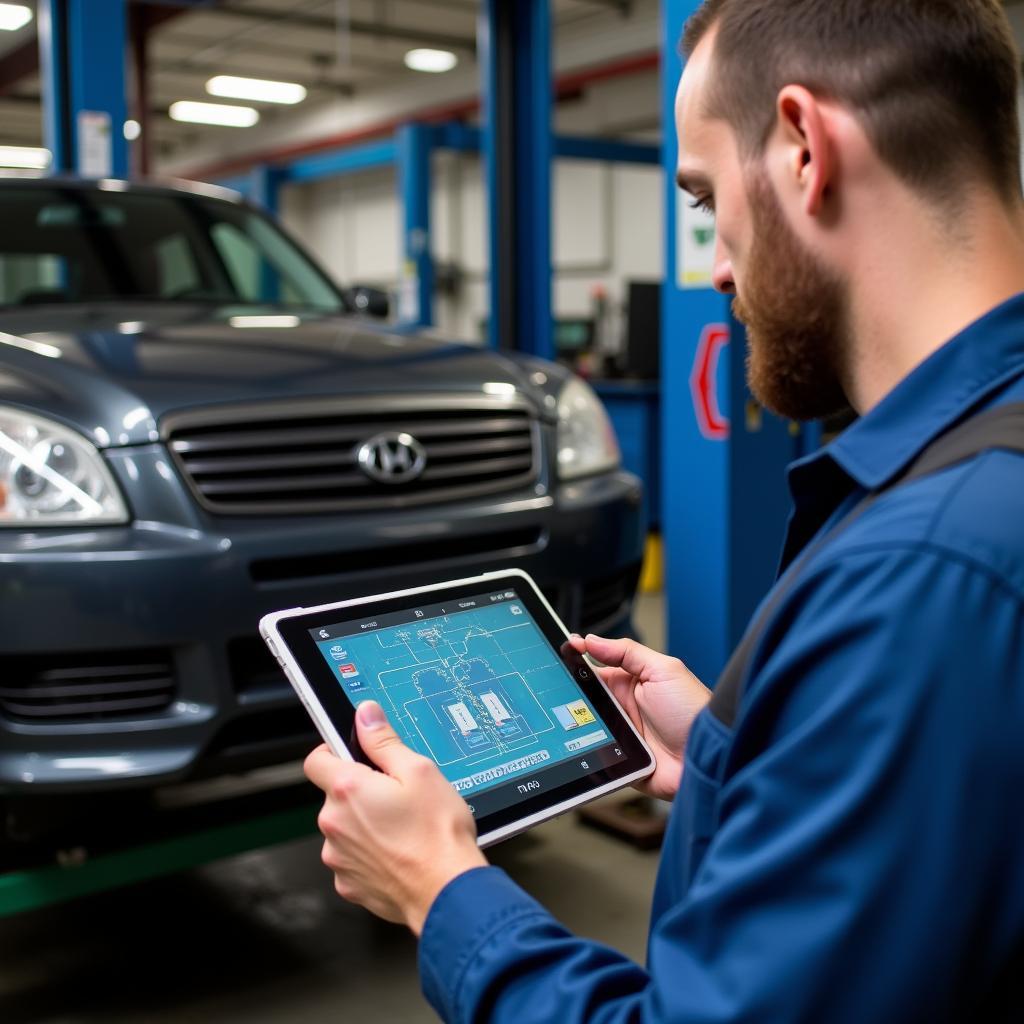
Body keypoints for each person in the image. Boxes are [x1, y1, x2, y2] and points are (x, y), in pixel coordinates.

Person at [303, 1, 1024, 1019]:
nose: (718, 266)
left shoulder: (926, 568)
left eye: (703, 201)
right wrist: (742, 751)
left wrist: (440, 890)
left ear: (803, 149)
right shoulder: (979, 478)